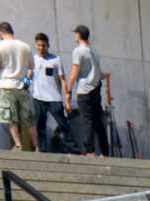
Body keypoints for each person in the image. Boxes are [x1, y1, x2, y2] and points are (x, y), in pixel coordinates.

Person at [65, 24, 109, 156]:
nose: (74, 36)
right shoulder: (94, 51)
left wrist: (68, 90)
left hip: (84, 90)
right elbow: (99, 73)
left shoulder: (78, 51)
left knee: (87, 121)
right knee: (97, 121)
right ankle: (105, 152)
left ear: (79, 35)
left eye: (75, 33)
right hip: (95, 89)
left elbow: (74, 72)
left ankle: (89, 151)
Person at [0, 22, 34, 151]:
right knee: (29, 119)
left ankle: (18, 144)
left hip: (6, 85)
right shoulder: (25, 46)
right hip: (22, 86)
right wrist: (27, 82)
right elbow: (32, 67)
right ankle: (36, 145)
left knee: (10, 118)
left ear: (0, 32)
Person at [30, 33, 72, 153]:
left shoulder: (56, 60)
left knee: (63, 125)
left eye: (44, 45)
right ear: (36, 45)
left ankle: (74, 151)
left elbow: (63, 80)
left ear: (48, 45)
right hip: (38, 98)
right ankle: (42, 151)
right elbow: (29, 75)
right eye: (39, 45)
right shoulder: (32, 59)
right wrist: (23, 85)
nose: (41, 48)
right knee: (40, 126)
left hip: (54, 98)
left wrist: (67, 97)